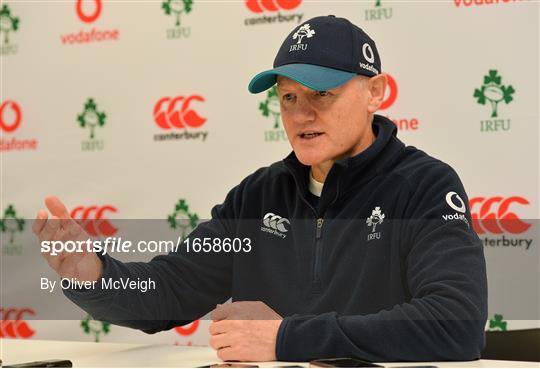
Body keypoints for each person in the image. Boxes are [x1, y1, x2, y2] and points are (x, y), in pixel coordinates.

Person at [33, 15, 487, 363]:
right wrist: (89, 271)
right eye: (289, 97)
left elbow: (456, 323)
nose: (301, 114)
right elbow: (169, 290)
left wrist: (285, 338)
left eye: (321, 94)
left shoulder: (425, 185)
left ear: (375, 92)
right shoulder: (258, 195)